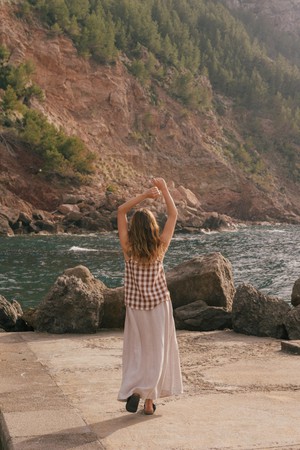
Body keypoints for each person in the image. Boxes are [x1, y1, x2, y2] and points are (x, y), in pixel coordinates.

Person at [117, 177, 183, 415]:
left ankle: (139, 392)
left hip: (135, 308)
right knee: (159, 351)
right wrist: (165, 189)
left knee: (138, 350)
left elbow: (121, 210)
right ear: (154, 227)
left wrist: (145, 195)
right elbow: (173, 215)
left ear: (134, 229)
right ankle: (147, 400)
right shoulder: (160, 246)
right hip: (159, 306)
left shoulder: (128, 248)